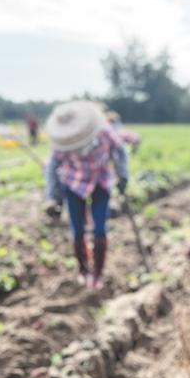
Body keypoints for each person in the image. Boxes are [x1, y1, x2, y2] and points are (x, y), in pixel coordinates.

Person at [44, 100, 129, 290]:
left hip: (100, 182)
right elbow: (52, 168)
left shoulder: (104, 131)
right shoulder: (63, 142)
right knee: (78, 231)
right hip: (73, 185)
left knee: (100, 230)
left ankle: (97, 274)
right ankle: (83, 270)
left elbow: (120, 151)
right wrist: (53, 196)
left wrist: (123, 176)